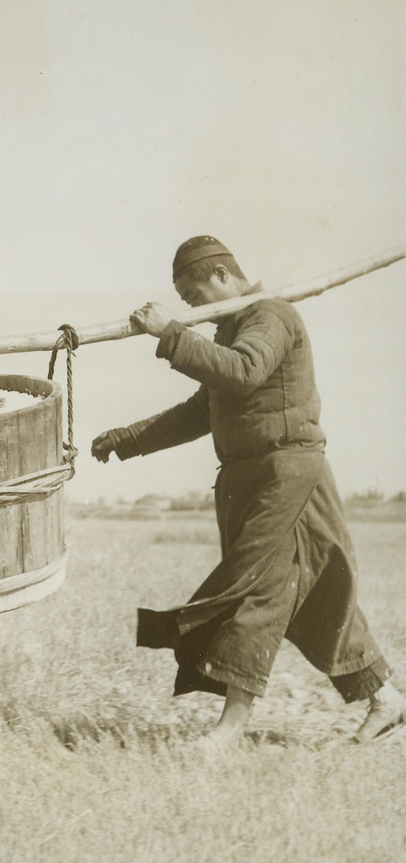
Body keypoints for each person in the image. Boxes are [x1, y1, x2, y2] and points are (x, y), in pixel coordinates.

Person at [91, 235, 404, 750]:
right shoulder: (234, 330)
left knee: (253, 590)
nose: (193, 311)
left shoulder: (271, 316)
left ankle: (230, 729)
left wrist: (171, 334)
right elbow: (203, 410)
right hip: (255, 480)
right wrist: (127, 440)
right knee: (316, 596)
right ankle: (386, 698)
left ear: (221, 277)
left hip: (288, 473)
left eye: (193, 297)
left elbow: (243, 372)